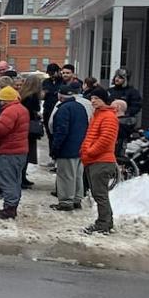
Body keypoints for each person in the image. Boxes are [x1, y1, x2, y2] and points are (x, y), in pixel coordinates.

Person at [0, 85, 30, 219]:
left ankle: (9, 208)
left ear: (5, 100)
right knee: (15, 179)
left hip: (9, 151)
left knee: (7, 180)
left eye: (1, 100)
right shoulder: (21, 109)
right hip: (19, 150)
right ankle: (12, 205)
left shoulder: (10, 111)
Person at [81, 88, 119, 235]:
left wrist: (90, 151)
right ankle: (106, 222)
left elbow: (105, 139)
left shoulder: (108, 116)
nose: (93, 101)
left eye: (96, 98)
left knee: (100, 195)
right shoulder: (98, 115)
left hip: (101, 161)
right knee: (99, 194)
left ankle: (103, 224)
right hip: (94, 160)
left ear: (103, 99)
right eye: (92, 98)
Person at [50, 79, 88, 212]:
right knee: (77, 175)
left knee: (66, 175)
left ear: (60, 96)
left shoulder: (63, 109)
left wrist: (55, 149)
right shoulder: (80, 107)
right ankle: (77, 199)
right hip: (80, 147)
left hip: (67, 148)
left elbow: (61, 131)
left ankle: (66, 201)